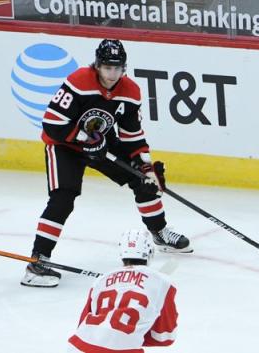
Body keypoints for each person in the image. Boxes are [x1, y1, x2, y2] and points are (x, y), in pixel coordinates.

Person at [21, 39, 192, 288]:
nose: (112, 74)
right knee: (63, 197)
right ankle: (38, 262)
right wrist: (85, 138)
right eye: (107, 68)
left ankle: (160, 232)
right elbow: (53, 124)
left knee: (142, 180)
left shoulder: (131, 91)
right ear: (97, 66)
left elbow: (133, 135)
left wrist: (145, 165)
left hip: (102, 145)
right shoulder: (78, 81)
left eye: (118, 68)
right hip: (64, 146)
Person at [67, 229, 178, 352]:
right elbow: (165, 337)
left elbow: (83, 324)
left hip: (77, 347)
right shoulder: (162, 283)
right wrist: (134, 332)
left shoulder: (100, 281)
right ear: (150, 252)